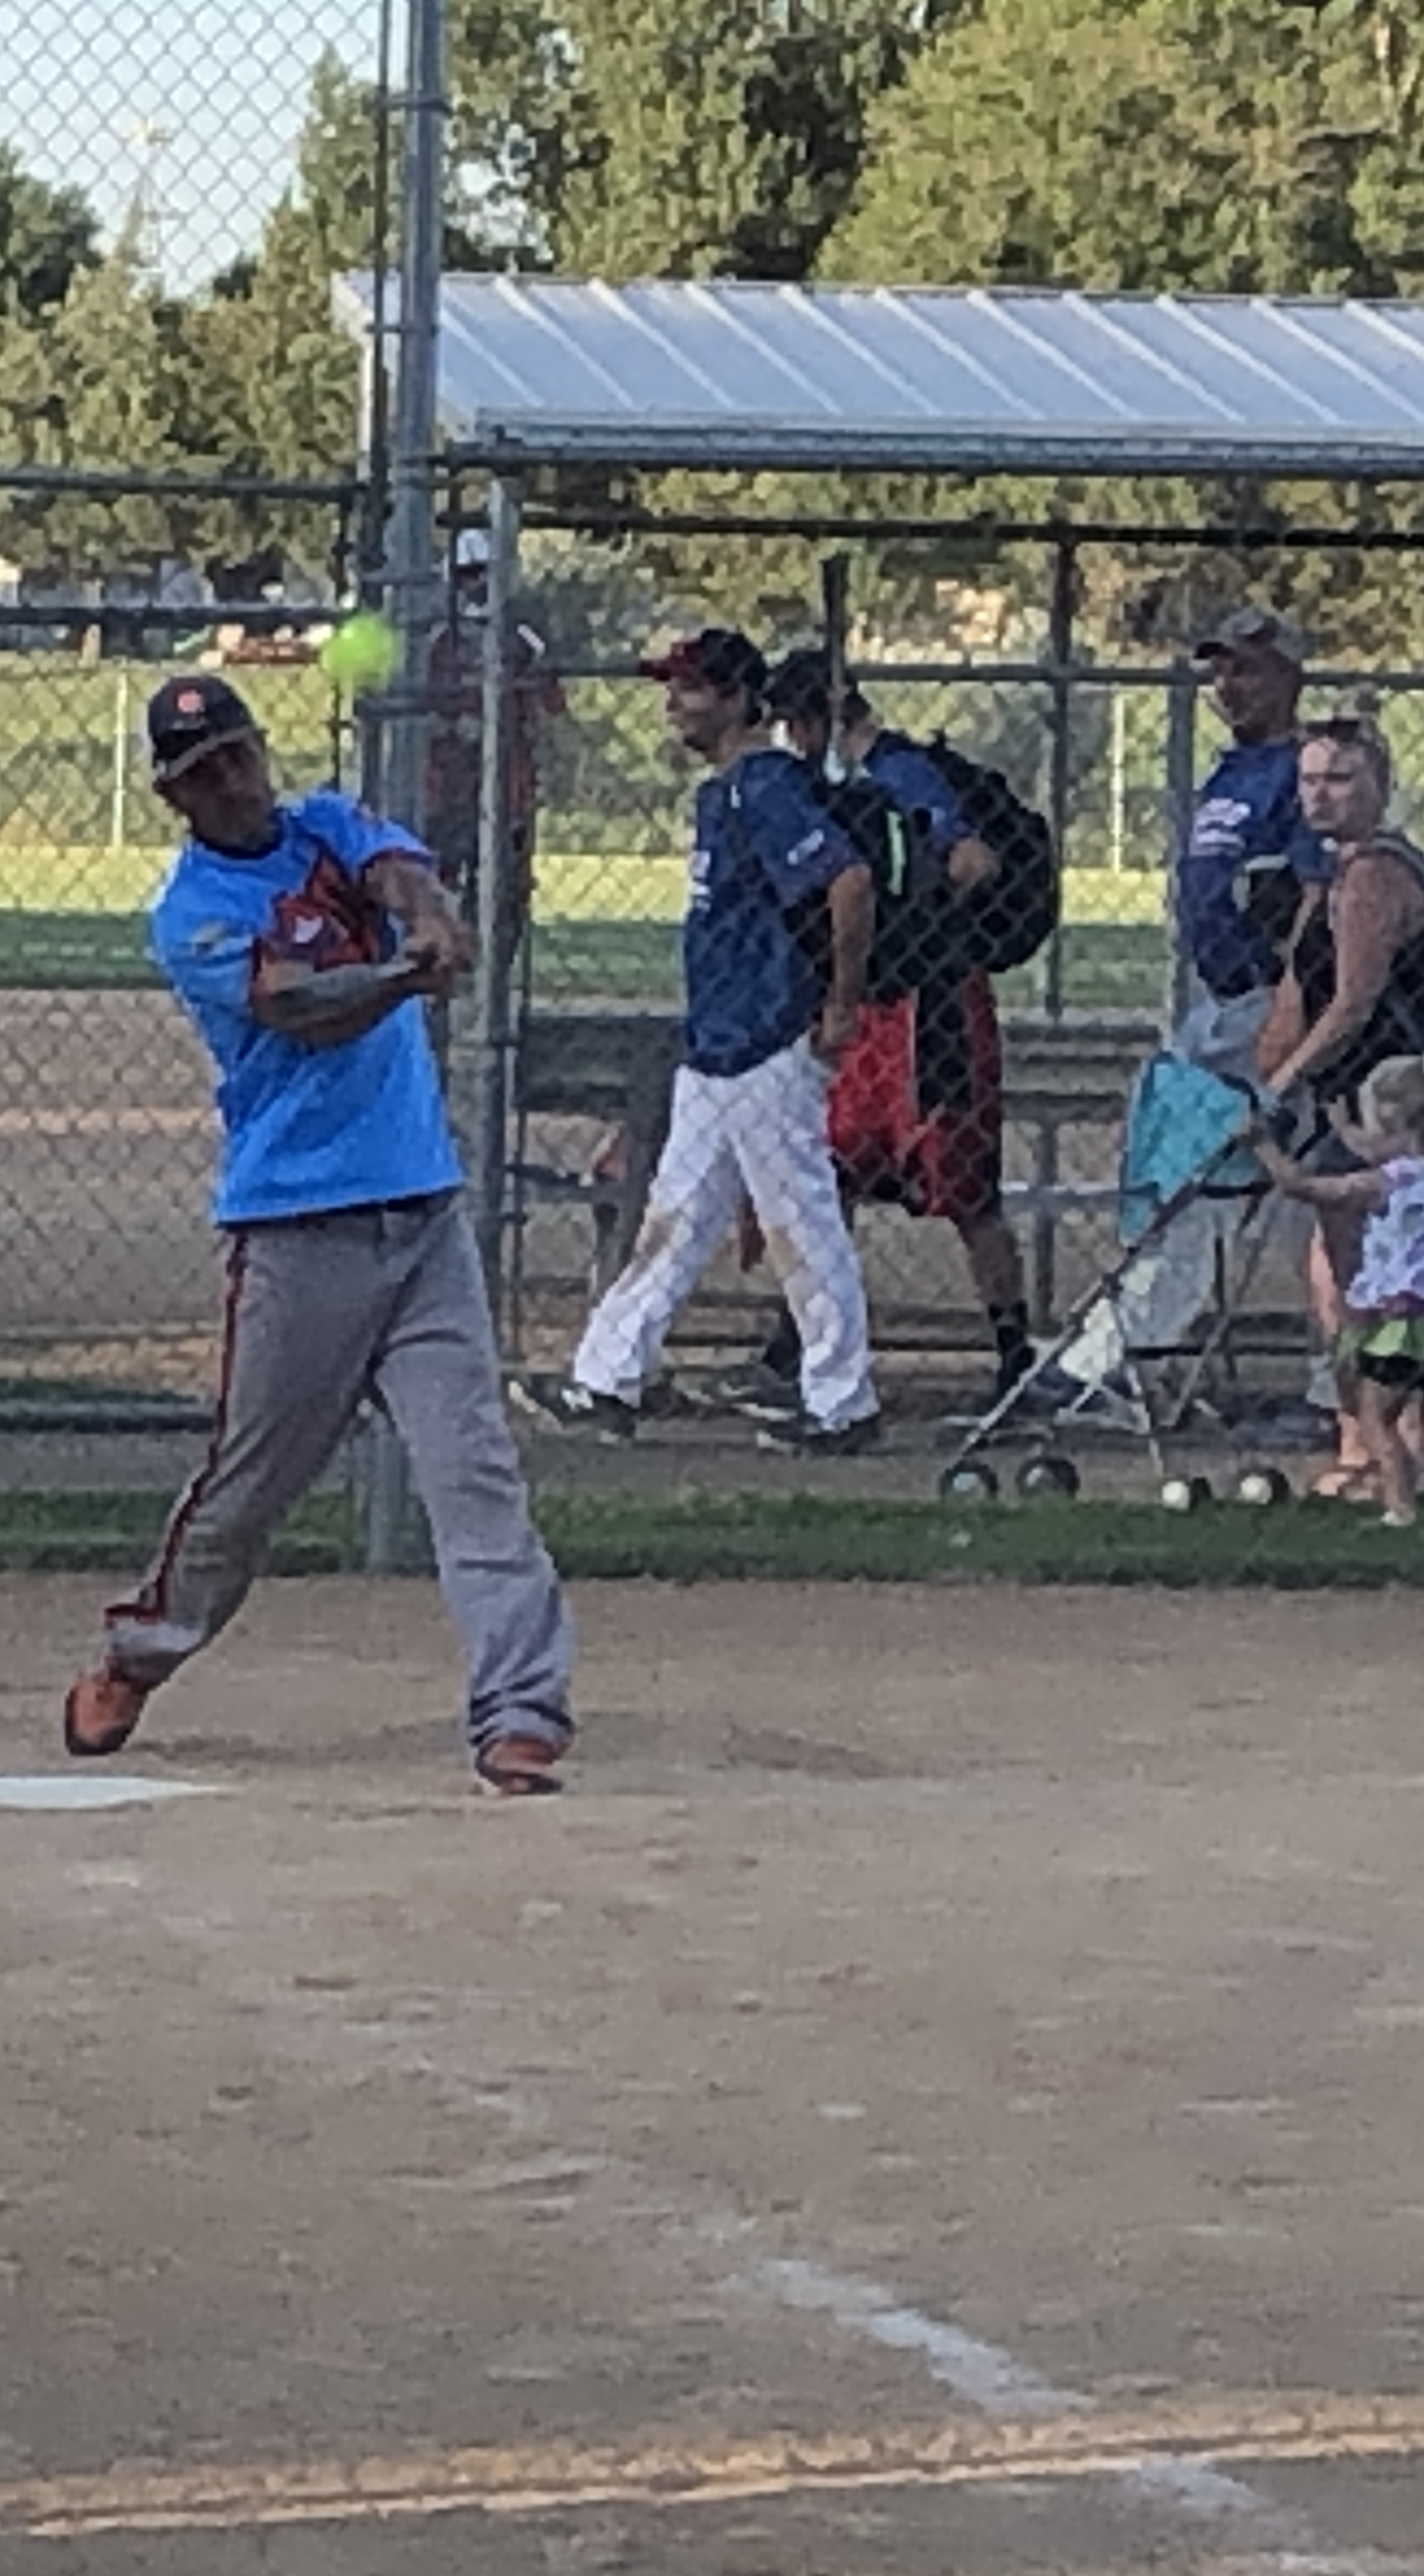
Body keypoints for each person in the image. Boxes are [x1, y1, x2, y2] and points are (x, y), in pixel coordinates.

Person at [61, 672, 576, 1798]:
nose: (231, 784)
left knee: (475, 1473)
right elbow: (300, 1007)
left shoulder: (326, 825)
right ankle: (139, 1653)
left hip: (421, 1216)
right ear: (173, 797)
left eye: (238, 756)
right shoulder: (193, 912)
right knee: (246, 1492)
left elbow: (397, 869)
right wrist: (404, 974)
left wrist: (428, 917)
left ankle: (521, 1710)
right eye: (202, 775)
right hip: (297, 1232)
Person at [509, 627, 884, 1456]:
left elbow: (848, 880)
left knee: (800, 1224)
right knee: (673, 1221)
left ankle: (842, 1401)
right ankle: (606, 1378)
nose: (674, 704)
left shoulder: (765, 786)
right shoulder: (725, 793)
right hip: (717, 1047)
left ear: (740, 700)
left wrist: (841, 1003)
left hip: (768, 1039)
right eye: (672, 688)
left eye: (691, 689)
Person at [743, 649, 1034, 1418]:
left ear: (817, 720)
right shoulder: (826, 786)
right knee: (830, 1171)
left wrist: (916, 914)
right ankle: (797, 1345)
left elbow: (973, 862)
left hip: (930, 1005)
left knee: (963, 1186)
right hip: (865, 1006)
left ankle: (1015, 1355)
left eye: (794, 723)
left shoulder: (901, 773)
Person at [1259, 713, 1424, 1492]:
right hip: (1346, 1099)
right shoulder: (1332, 875)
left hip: (1382, 1104)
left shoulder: (1374, 876)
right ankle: (1364, 1446)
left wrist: (1280, 1084)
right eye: (1310, 780)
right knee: (1338, 1277)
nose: (1320, 795)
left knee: (1370, 1283)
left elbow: (1353, 1001)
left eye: (1340, 779)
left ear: (1380, 785)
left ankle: (1392, 1453)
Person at [1252, 1051, 1424, 1523]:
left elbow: (1303, 1187)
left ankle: (1400, 1508)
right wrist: (1343, 1126)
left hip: (1403, 1321)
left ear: (1395, 1130)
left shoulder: (1380, 1183)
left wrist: (1263, 1146)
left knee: (1375, 1416)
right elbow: (1374, 1148)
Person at [1174, 607, 1326, 1074]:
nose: (1227, 687)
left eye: (1245, 672)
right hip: (1217, 993)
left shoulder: (1306, 770)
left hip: (1270, 994)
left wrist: (1290, 998)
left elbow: (1317, 893)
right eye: (1219, 673)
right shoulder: (1230, 770)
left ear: (1287, 679)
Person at [415, 529, 565, 972]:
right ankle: (443, 969)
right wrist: (452, 724)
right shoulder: (439, 638)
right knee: (441, 874)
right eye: (467, 574)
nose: (476, 584)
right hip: (450, 785)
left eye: (484, 573)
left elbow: (552, 703)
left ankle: (493, 975)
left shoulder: (522, 636)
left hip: (507, 783)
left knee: (506, 881)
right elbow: (423, 707)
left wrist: (516, 712)